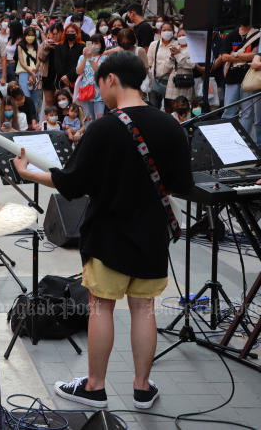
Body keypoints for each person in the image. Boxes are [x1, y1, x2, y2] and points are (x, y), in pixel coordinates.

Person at [13, 51, 192, 411]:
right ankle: (142, 388)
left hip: (108, 235)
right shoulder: (170, 125)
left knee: (101, 308)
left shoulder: (104, 127)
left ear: (111, 79)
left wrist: (28, 173)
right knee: (144, 309)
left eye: (99, 83)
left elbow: (73, 184)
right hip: (150, 235)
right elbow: (178, 184)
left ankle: (94, 388)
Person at [146, 22, 178, 111]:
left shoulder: (177, 45)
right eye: (164, 30)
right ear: (160, 32)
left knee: (170, 109)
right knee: (154, 109)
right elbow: (149, 63)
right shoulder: (154, 45)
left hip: (171, 83)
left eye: (169, 30)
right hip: (155, 81)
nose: (166, 32)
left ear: (173, 32)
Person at [75, 33, 106, 122]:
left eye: (96, 43)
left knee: (99, 118)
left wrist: (90, 59)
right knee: (88, 119)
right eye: (91, 43)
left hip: (99, 93)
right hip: (86, 91)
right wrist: (85, 57)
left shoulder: (104, 58)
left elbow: (99, 71)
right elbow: (78, 71)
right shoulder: (82, 57)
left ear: (101, 45)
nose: (93, 46)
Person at [16, 26, 40, 108]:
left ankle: (35, 117)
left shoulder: (37, 46)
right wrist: (31, 73)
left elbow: (39, 60)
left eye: (32, 35)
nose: (30, 37)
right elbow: (22, 62)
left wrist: (33, 73)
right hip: (24, 72)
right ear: (25, 36)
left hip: (35, 72)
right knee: (26, 95)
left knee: (35, 97)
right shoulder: (20, 46)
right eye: (28, 35)